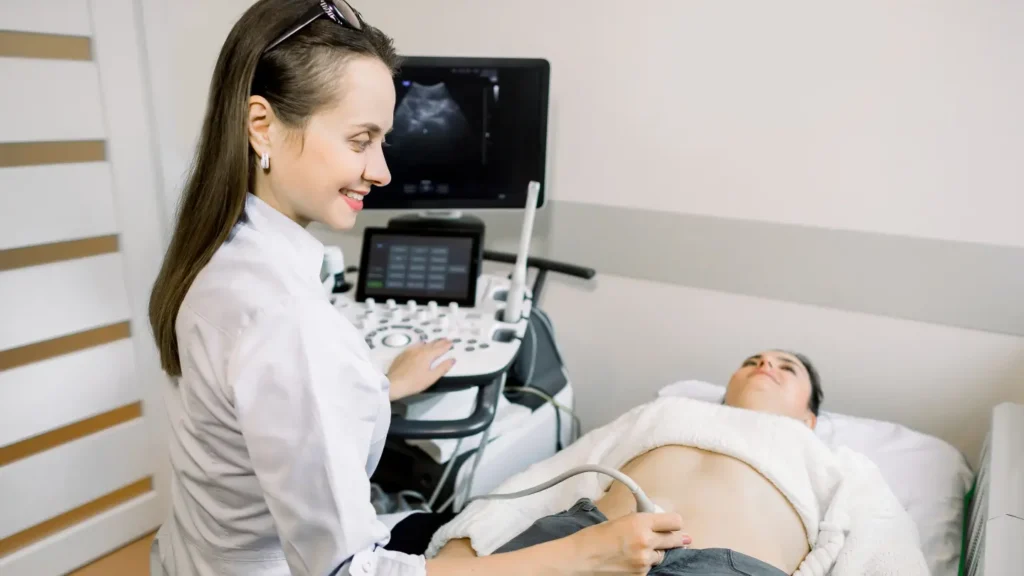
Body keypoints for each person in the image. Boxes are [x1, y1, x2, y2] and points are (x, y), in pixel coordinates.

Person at [146, 1, 689, 575]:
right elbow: (347, 572)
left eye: (383, 142)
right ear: (263, 125)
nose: (381, 171)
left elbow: (266, 419)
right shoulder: (288, 318)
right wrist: (589, 552)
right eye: (360, 140)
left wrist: (379, 387)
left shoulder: (217, 258)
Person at [432, 350, 907, 576]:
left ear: (810, 418)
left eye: (787, 368)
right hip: (579, 544)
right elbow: (549, 479)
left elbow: (885, 553)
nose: (765, 366)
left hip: (724, 569)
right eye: (753, 360)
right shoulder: (665, 412)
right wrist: (464, 544)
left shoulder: (836, 460)